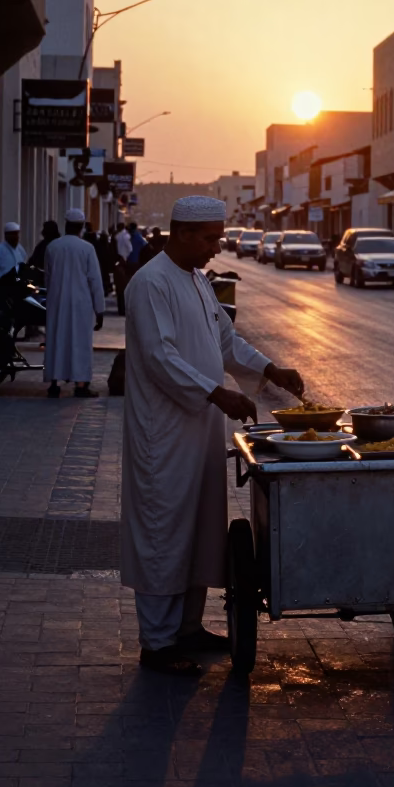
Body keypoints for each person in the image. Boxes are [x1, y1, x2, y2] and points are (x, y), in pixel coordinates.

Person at [122, 195, 305, 677]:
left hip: (200, 428)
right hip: (163, 433)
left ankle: (188, 627)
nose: (215, 247)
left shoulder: (199, 281)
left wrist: (270, 368)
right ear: (180, 233)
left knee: (202, 527)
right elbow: (160, 358)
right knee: (165, 529)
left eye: (217, 237)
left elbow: (225, 341)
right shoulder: (150, 284)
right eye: (208, 238)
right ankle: (157, 644)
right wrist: (216, 394)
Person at [44, 208, 106, 399]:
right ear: (81, 227)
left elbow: (47, 277)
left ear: (66, 225)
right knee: (80, 343)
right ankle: (81, 386)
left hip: (57, 301)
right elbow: (95, 280)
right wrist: (100, 309)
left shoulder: (52, 247)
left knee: (56, 340)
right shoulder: (87, 248)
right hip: (81, 303)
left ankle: (54, 383)